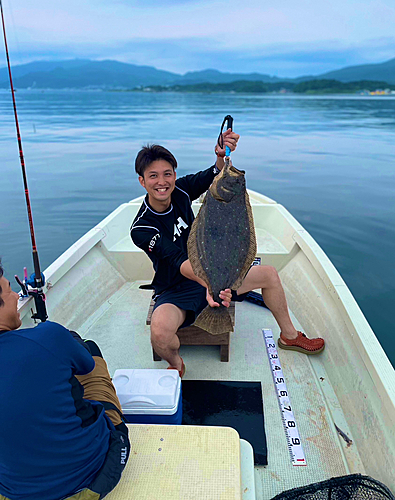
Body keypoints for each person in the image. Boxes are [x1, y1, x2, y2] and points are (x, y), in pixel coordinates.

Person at [131, 130, 325, 377]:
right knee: (159, 331)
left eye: (167, 174)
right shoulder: (142, 228)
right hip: (177, 287)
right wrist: (210, 285)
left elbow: (213, 174)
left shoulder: (180, 191)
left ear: (174, 175)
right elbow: (178, 261)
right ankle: (176, 363)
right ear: (142, 181)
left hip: (214, 273)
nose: (162, 182)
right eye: (153, 176)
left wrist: (222, 155)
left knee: (269, 275)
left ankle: (289, 336)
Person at [0, 261, 130, 500]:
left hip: (14, 491)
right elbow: (86, 366)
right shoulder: (49, 335)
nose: (15, 296)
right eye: (9, 290)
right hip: (87, 476)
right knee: (90, 350)